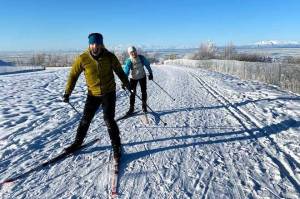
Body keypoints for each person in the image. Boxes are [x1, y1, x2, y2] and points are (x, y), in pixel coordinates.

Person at [63, 33, 130, 161]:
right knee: (85, 119)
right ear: (89, 44)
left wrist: (126, 83)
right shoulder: (82, 58)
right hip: (92, 94)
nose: (95, 46)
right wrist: (68, 92)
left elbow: (119, 71)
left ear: (101, 44)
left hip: (109, 93)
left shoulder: (109, 56)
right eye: (93, 43)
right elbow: (73, 75)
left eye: (98, 44)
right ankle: (77, 142)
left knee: (109, 120)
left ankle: (116, 145)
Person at [123, 46, 153, 114]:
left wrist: (150, 73)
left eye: (134, 51)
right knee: (132, 93)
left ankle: (144, 107)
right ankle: (131, 108)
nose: (133, 53)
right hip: (133, 78)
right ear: (129, 54)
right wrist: (124, 82)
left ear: (136, 51)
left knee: (144, 92)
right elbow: (126, 71)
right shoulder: (129, 61)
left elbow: (147, 65)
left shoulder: (141, 58)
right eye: (131, 52)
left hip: (142, 76)